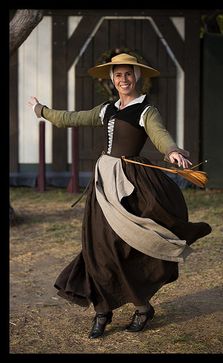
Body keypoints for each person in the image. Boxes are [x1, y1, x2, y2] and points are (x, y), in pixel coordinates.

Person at [28, 52, 211, 339]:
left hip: (131, 184)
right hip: (104, 184)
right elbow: (71, 118)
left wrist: (172, 150)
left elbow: (160, 134)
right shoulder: (106, 109)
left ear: (137, 76)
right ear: (111, 80)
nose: (122, 79)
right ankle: (102, 311)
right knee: (99, 247)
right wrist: (42, 110)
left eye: (128, 74)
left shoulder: (145, 110)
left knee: (127, 246)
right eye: (117, 75)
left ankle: (141, 306)